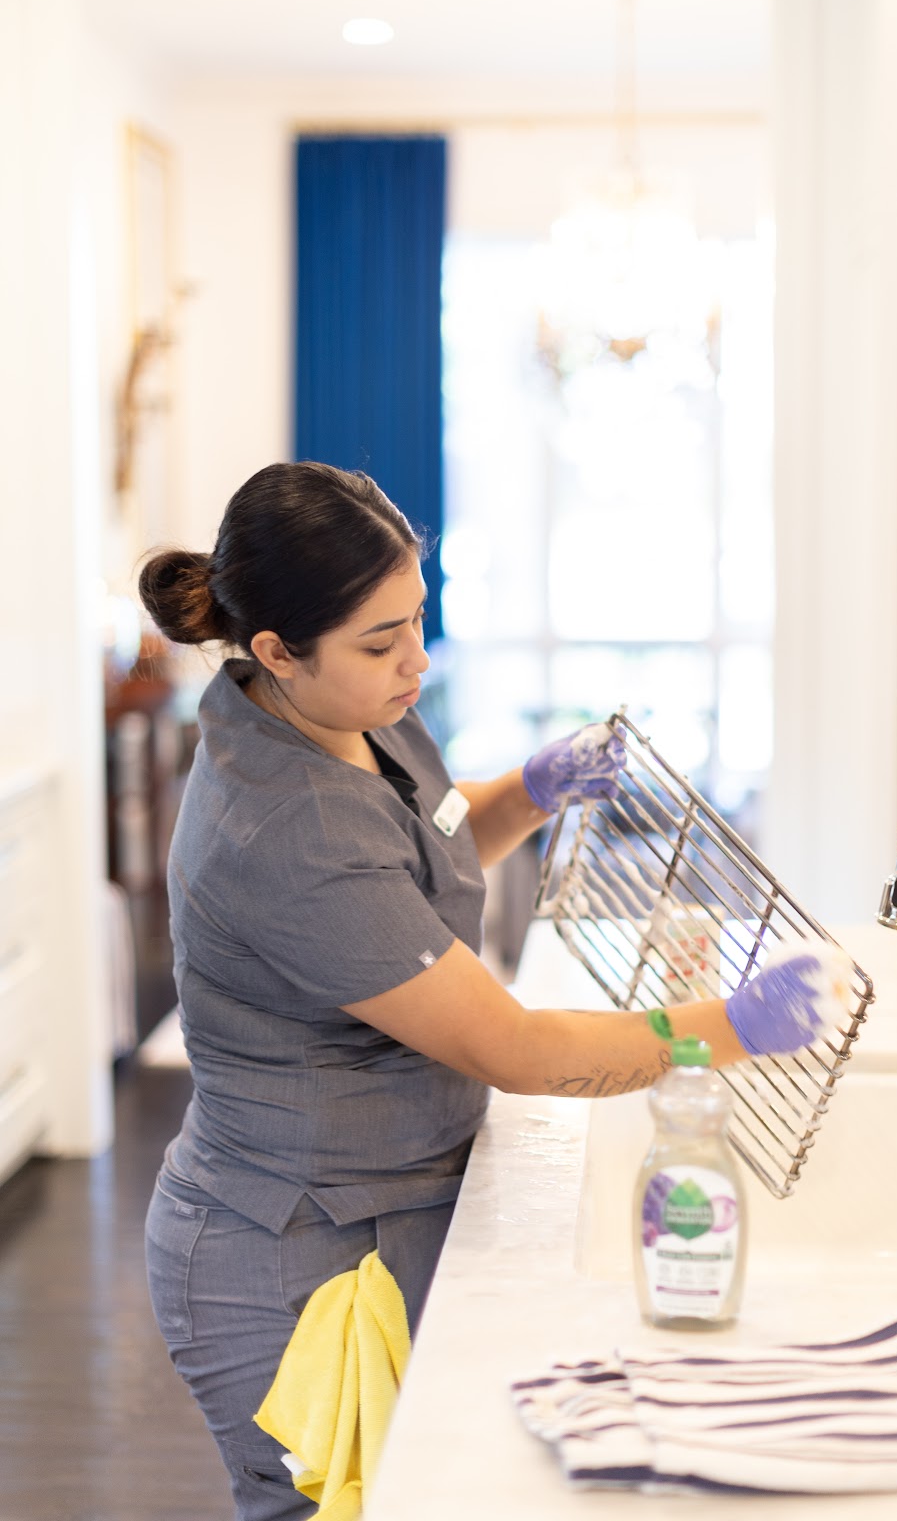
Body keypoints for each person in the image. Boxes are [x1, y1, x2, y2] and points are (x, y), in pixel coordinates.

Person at [139, 462, 836, 1521]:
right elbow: (517, 1050)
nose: (414, 660)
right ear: (276, 649)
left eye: (416, 619)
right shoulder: (284, 830)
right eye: (379, 642)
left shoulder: (335, 711)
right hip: (288, 1258)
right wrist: (728, 1029)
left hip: (384, 1199)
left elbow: (422, 832)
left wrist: (527, 791)